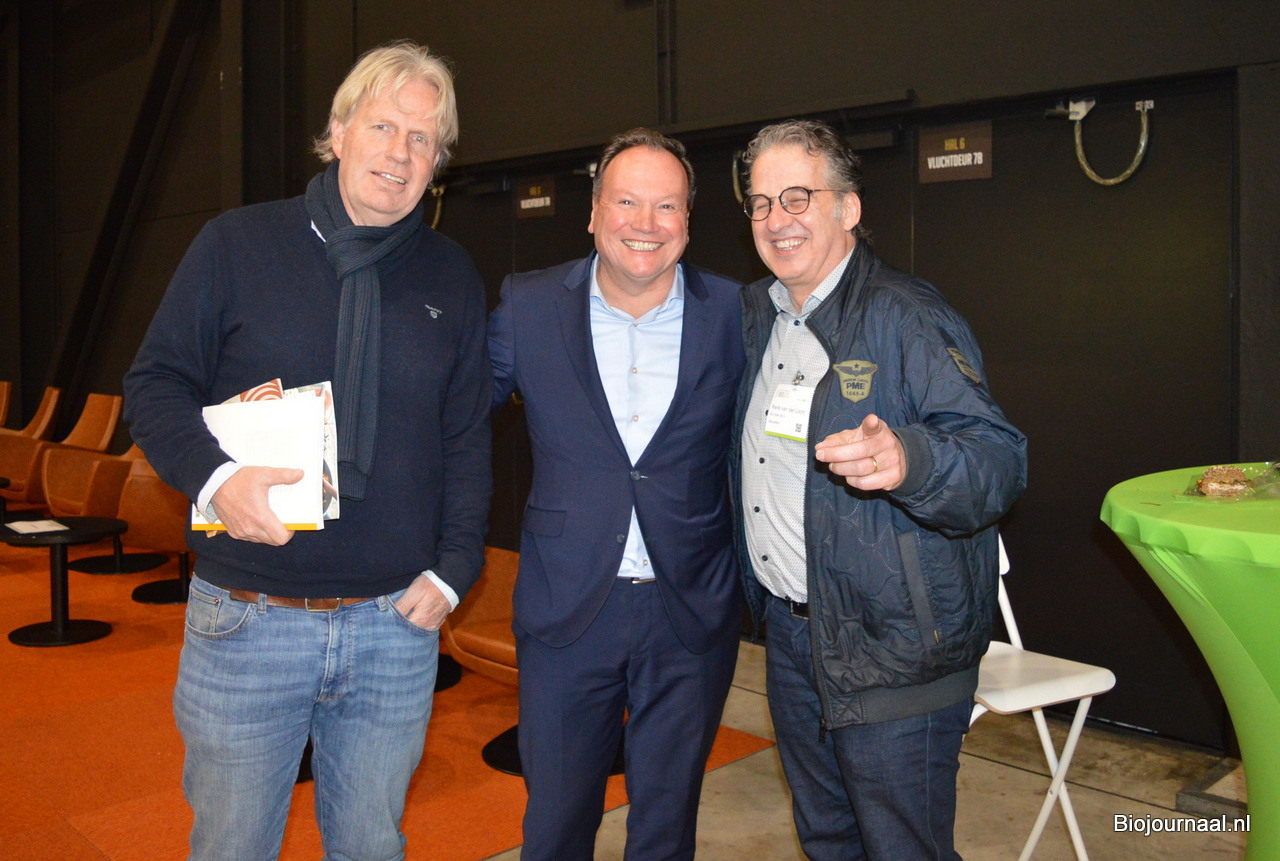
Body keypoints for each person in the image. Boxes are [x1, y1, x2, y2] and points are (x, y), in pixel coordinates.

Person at [123, 41, 491, 860]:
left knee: (370, 846)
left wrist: (455, 568)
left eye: (423, 138)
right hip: (248, 618)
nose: (400, 152)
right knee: (233, 847)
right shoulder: (235, 244)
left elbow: (466, 435)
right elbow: (153, 384)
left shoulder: (451, 275)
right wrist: (217, 480)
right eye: (384, 125)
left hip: (395, 626)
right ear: (339, 130)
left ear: (438, 163)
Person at [731, 119, 1028, 860]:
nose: (776, 218)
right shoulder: (760, 317)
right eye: (761, 202)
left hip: (893, 647)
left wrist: (912, 460)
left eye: (797, 196)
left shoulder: (906, 314)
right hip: (794, 636)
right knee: (827, 839)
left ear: (849, 208)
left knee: (902, 848)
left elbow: (999, 460)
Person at [489, 128, 745, 860]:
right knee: (556, 824)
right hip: (568, 606)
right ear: (594, 212)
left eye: (667, 206)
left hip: (689, 610)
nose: (646, 223)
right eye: (627, 201)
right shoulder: (529, 305)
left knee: (666, 825)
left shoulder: (737, 312)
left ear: (688, 220)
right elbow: (452, 416)